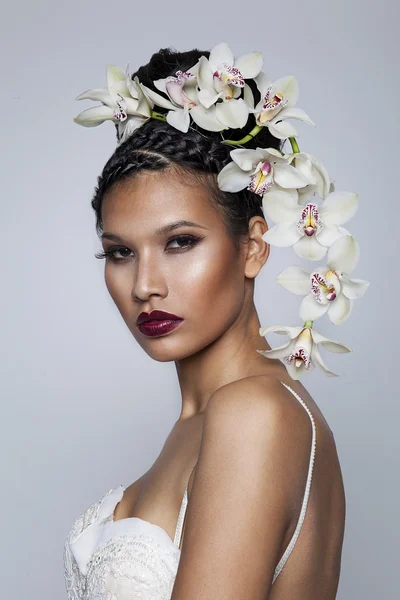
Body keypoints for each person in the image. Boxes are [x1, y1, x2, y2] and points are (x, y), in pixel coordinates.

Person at [63, 43, 362, 599]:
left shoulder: (256, 412)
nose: (144, 284)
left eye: (180, 242)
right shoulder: (208, 420)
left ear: (252, 246)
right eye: (120, 252)